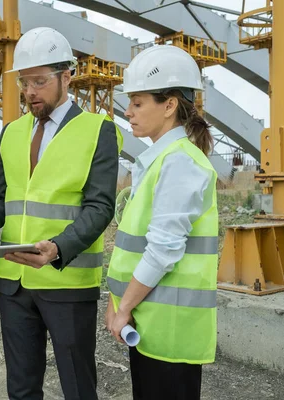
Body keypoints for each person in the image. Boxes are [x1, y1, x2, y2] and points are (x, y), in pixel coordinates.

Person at [0, 27, 122, 400]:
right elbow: (2, 196)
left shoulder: (98, 131)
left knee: (78, 387)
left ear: (66, 76)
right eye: (24, 83)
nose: (30, 92)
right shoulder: (12, 132)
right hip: (13, 281)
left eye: (39, 82)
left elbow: (100, 207)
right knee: (22, 388)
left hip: (67, 282)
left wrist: (58, 248)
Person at [105, 44, 219, 400]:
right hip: (150, 324)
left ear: (169, 105)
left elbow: (163, 250)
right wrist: (118, 303)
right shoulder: (163, 159)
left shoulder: (180, 162)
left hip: (169, 332)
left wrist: (123, 307)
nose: (128, 112)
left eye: (138, 103)